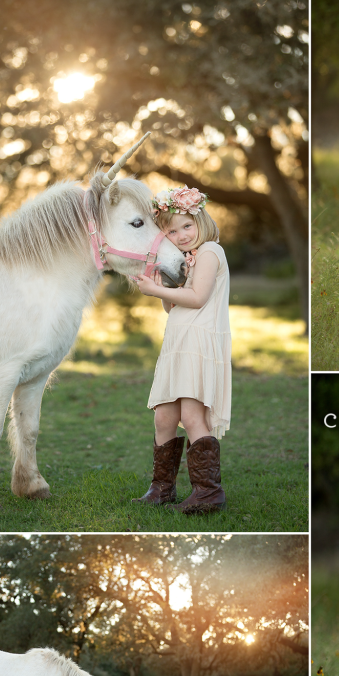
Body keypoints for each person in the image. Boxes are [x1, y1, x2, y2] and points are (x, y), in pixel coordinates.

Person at [130, 186, 231, 513]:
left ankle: (208, 492)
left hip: (198, 342)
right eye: (171, 231)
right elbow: (172, 308)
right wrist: (164, 288)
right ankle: (162, 488)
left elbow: (199, 298)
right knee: (164, 417)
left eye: (186, 226)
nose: (181, 235)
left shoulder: (211, 251)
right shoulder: (188, 258)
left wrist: (154, 289)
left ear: (200, 218)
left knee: (192, 415)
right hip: (178, 340)